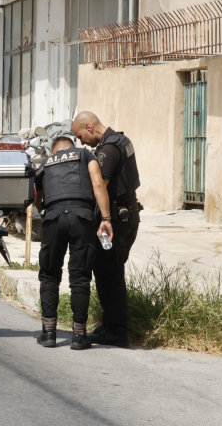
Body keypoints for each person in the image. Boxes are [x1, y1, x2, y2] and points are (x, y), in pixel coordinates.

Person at [34, 134, 113, 350]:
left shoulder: (45, 163)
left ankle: (49, 333)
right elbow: (98, 184)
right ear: (72, 147)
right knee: (80, 277)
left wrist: (49, 214)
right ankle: (79, 336)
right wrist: (106, 219)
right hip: (82, 217)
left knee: (49, 275)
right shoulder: (85, 154)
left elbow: (37, 199)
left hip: (53, 217)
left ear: (54, 151)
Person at [73, 111, 141, 348]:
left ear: (89, 127)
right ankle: (111, 325)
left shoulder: (108, 150)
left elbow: (99, 185)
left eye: (80, 136)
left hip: (117, 221)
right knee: (111, 271)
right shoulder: (121, 140)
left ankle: (117, 331)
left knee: (108, 273)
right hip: (128, 214)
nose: (82, 142)